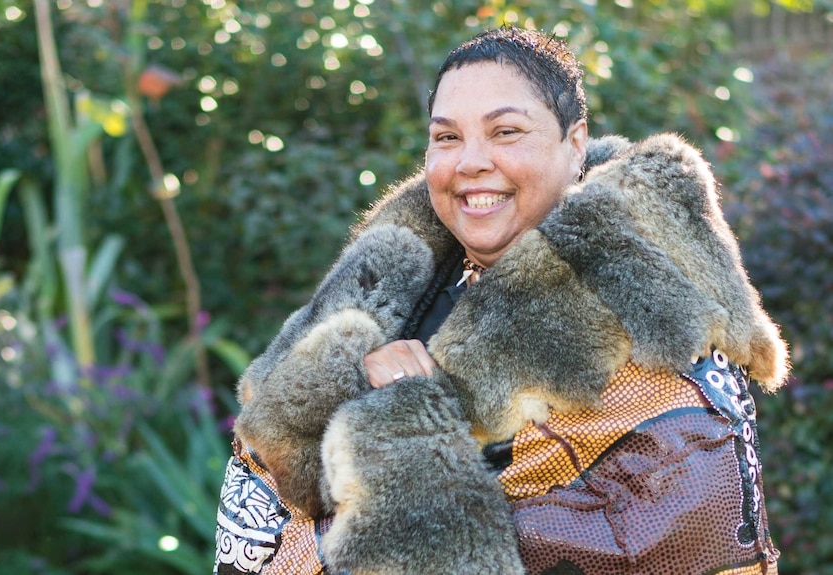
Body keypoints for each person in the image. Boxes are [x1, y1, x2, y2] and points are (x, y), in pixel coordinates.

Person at [214, 27, 789, 575]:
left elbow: (656, 541)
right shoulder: (396, 279)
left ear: (575, 142)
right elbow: (258, 501)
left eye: (505, 131)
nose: (469, 162)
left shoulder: (651, 314)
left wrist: (409, 425)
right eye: (446, 136)